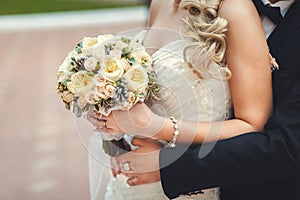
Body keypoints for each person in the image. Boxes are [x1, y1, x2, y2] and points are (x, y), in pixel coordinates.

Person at [106, 0, 300, 199]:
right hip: (137, 178)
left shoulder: (236, 8)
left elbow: (282, 144)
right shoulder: (161, 3)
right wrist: (114, 126)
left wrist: (161, 145)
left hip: (238, 186)